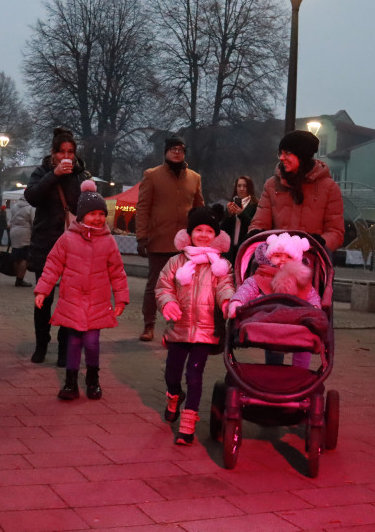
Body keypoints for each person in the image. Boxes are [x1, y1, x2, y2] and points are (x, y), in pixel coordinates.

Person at [34, 181, 129, 401]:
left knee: (92, 342)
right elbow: (53, 265)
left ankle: (93, 379)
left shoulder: (108, 242)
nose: (97, 218)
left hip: (97, 302)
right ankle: (70, 382)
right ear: (81, 216)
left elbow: (117, 272)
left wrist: (121, 299)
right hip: (73, 300)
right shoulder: (67, 239)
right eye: (92, 214)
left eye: (101, 214)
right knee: (74, 342)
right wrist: (42, 290)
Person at [155, 205, 233, 445]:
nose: (203, 235)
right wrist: (168, 302)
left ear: (216, 235)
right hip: (179, 328)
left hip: (205, 330)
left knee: (194, 374)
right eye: (198, 230)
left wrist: (227, 301)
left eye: (209, 231)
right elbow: (164, 287)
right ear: (190, 233)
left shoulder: (220, 265)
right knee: (172, 373)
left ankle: (188, 424)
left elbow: (225, 286)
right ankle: (174, 396)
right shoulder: (176, 262)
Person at [25, 127, 91, 364]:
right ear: (53, 153)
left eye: (70, 152)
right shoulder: (42, 172)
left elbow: (89, 206)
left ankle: (65, 346)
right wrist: (53, 175)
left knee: (70, 299)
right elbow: (32, 196)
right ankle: (41, 344)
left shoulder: (82, 175)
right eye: (62, 152)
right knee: (43, 298)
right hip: (46, 243)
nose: (66, 156)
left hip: (73, 245)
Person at [135, 136, 205, 342]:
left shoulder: (194, 178)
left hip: (184, 244)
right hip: (158, 240)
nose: (177, 152)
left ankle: (177, 326)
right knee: (154, 286)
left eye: (180, 149)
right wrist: (141, 237)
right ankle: (149, 324)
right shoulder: (152, 176)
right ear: (165, 152)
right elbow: (143, 208)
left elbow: (199, 209)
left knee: (183, 287)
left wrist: (202, 236)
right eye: (173, 149)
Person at [226, 232, 322, 370]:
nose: (282, 260)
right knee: (270, 335)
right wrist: (237, 302)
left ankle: (301, 370)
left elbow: (311, 295)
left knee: (307, 333)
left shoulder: (302, 280)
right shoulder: (261, 276)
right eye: (277, 256)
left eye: (288, 257)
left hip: (297, 320)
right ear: (269, 257)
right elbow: (246, 289)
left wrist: (315, 308)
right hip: (268, 318)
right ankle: (273, 368)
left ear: (297, 260)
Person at [250, 130, 344, 253]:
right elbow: (259, 223)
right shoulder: (272, 185)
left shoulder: (329, 188)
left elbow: (335, 232)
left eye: (287, 153)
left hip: (311, 259)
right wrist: (255, 235)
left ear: (302, 156)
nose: (282, 158)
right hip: (277, 258)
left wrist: (315, 244)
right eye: (280, 153)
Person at [222, 175, 257, 264]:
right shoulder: (231, 204)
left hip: (247, 248)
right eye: (239, 186)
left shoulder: (256, 205)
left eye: (245, 186)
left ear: (249, 188)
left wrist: (241, 214)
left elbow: (255, 227)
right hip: (231, 249)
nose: (241, 189)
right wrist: (229, 215)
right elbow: (223, 229)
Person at [8, 196, 34, 287]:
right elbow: (33, 221)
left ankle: (16, 275)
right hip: (25, 232)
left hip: (14, 231)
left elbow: (10, 218)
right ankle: (20, 279)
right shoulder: (31, 207)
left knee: (16, 255)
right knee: (24, 257)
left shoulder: (15, 206)